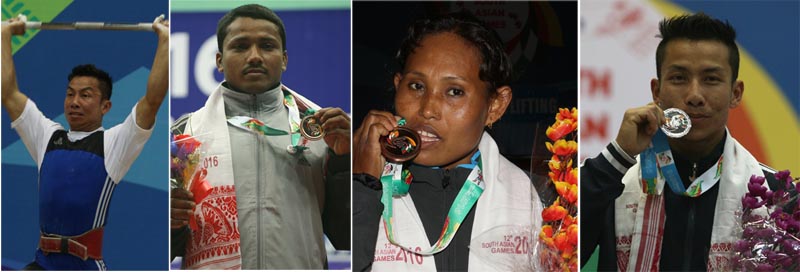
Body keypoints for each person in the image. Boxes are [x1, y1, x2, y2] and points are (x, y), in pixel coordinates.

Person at [580, 12, 794, 271]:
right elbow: (561, 255)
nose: (694, 95)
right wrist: (617, 157)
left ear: (735, 94)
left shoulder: (777, 197)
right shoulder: (614, 183)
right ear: (656, 91)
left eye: (711, 79)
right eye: (679, 78)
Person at [352, 12, 540, 271]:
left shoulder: (533, 199)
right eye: (417, 86)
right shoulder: (363, 183)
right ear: (398, 86)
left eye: (454, 92)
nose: (428, 109)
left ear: (495, 106)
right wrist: (362, 186)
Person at [168, 4, 351, 270]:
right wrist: (170, 221)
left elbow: (345, 236)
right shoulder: (185, 135)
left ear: (285, 59)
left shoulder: (324, 129)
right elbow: (166, 247)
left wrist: (343, 162)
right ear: (219, 60)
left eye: (267, 46)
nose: (254, 56)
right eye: (241, 46)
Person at [1, 15, 168, 270]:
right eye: (70, 94)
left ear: (106, 106)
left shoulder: (114, 144)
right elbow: (8, 93)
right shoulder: (46, 136)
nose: (74, 101)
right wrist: (4, 35)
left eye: (85, 95)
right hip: (42, 264)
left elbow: (152, 101)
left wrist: (165, 40)